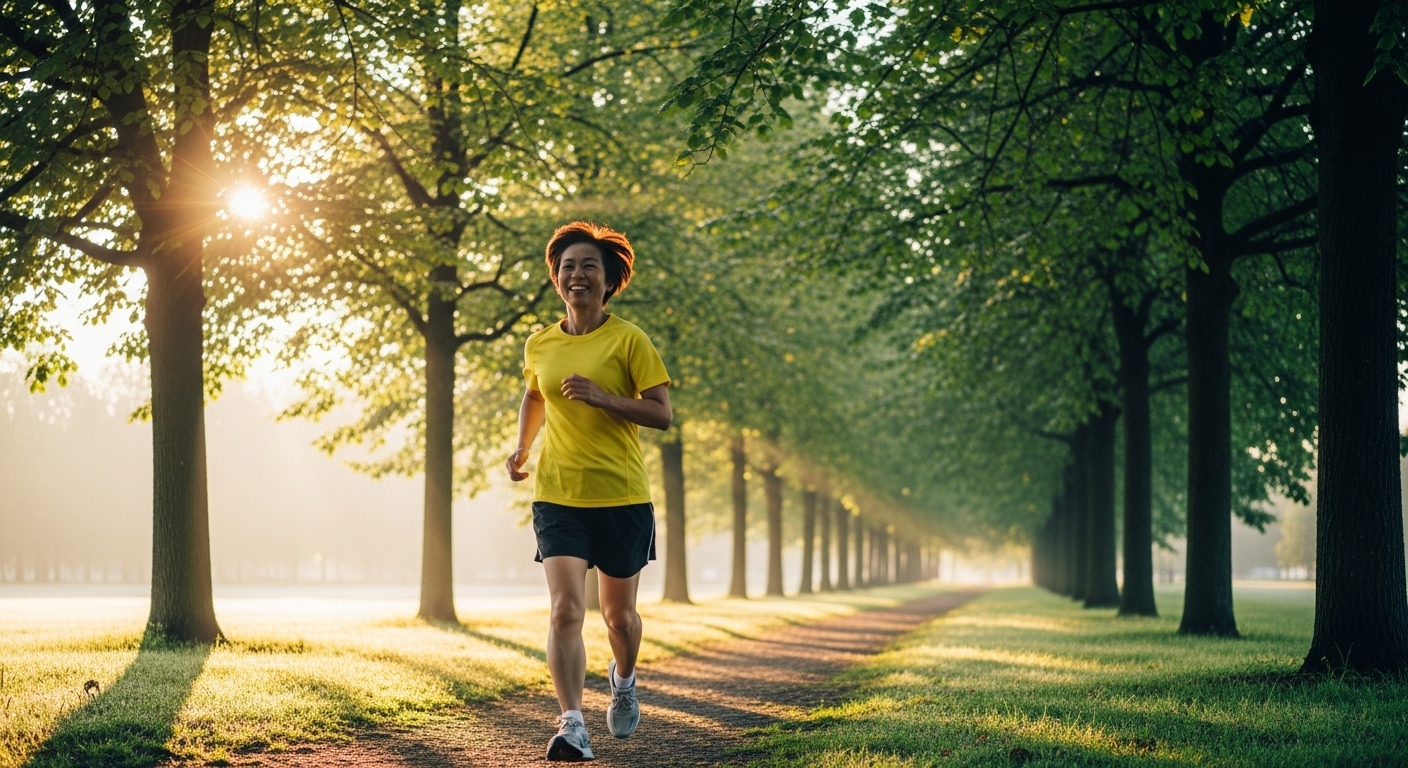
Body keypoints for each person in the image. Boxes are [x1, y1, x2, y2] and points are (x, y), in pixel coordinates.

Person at [506, 221, 673, 762]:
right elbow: (536, 395)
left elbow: (662, 414)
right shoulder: (540, 343)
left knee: (619, 619)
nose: (577, 274)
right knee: (564, 611)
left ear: (608, 280)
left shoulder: (629, 339)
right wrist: (523, 446)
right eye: (568, 266)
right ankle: (573, 724)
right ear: (556, 277)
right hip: (558, 496)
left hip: (621, 496)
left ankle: (624, 680)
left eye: (589, 266)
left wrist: (604, 398)